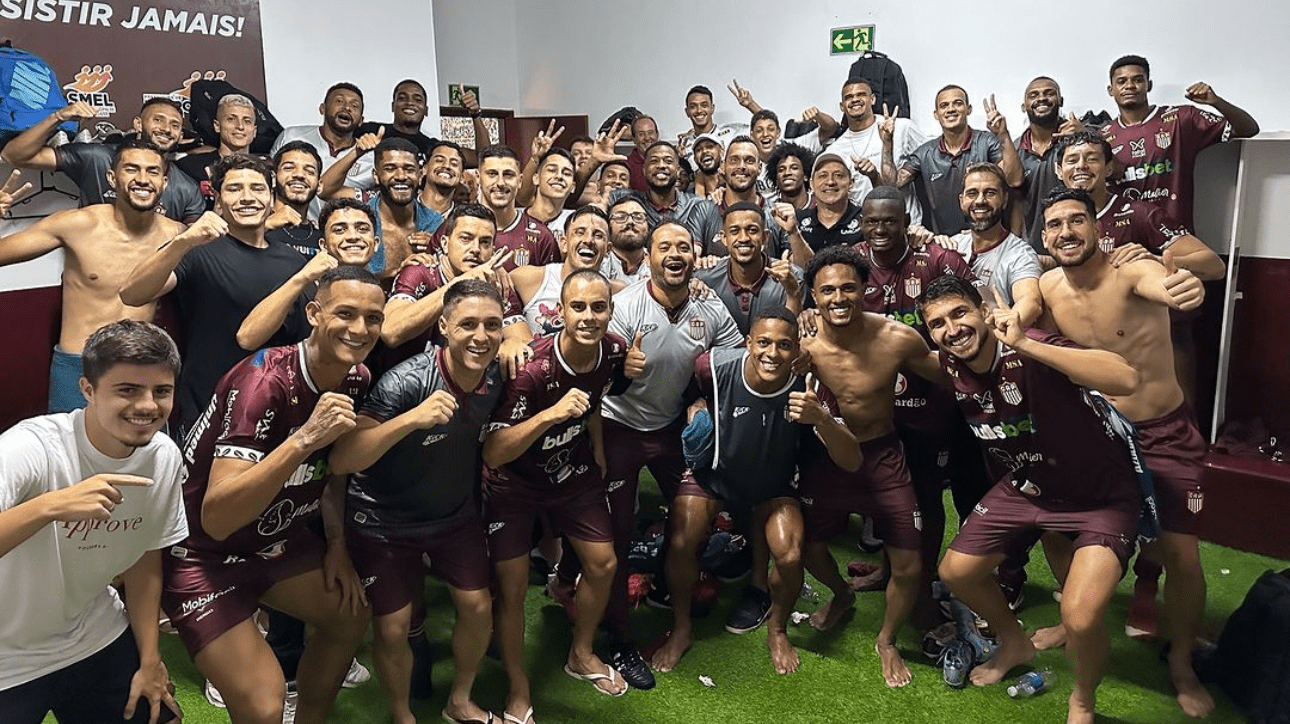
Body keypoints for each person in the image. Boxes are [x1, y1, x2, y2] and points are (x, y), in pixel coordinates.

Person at [161, 266, 381, 724]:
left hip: (276, 539)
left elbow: (332, 469)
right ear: (315, 314)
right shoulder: (262, 382)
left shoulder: (355, 375)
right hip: (203, 552)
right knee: (264, 705)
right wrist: (302, 440)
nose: (360, 329)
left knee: (349, 615)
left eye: (372, 318)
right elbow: (218, 517)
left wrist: (336, 544)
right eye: (346, 313)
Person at [921, 274, 1143, 724]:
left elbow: (1127, 376)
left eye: (960, 312)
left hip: (1099, 492)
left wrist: (1027, 344)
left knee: (1079, 617)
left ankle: (1082, 700)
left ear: (984, 312)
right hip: (1026, 486)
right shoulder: (949, 364)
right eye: (938, 323)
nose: (952, 328)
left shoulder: (1032, 345)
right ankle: (1014, 641)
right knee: (956, 572)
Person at [1032, 187, 1216, 717]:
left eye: (1076, 221)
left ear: (1097, 228)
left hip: (1164, 433)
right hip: (1099, 436)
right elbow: (1023, 302)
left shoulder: (1131, 270)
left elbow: (1169, 284)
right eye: (1055, 225)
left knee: (1182, 555)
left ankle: (1180, 658)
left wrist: (1182, 286)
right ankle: (1074, 619)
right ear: (1044, 237)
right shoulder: (1046, 285)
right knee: (1056, 530)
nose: (1066, 232)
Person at [329, 280, 505, 724]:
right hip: (383, 518)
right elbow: (344, 458)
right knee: (391, 626)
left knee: (479, 607)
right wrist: (410, 420)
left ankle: (459, 700)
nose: (480, 336)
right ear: (444, 326)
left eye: (492, 325)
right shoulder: (406, 380)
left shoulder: (500, 371)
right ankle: (402, 714)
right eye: (467, 324)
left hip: (453, 513)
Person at [0, 320, 186, 724]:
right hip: (5, 656)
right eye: (128, 390)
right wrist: (49, 506)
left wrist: (151, 659)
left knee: (161, 716)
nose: (148, 406)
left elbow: (143, 561)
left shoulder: (164, 456)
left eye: (162, 391)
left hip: (88, 632)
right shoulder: (30, 448)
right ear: (87, 390)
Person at [658, 310, 859, 675]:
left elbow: (852, 459)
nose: (772, 353)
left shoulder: (808, 384)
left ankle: (777, 627)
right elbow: (685, 394)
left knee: (790, 554)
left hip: (773, 486)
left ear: (797, 349)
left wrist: (822, 420)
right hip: (714, 477)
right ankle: (682, 627)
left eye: (784, 345)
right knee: (682, 539)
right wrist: (696, 410)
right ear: (747, 342)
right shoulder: (713, 367)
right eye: (763, 342)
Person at [483, 271, 631, 722]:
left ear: (610, 310)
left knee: (603, 563)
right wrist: (549, 416)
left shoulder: (614, 351)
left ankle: (580, 654)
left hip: (572, 471)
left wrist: (599, 443)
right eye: (579, 307)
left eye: (599, 307)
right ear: (560, 312)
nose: (589, 317)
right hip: (513, 484)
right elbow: (493, 452)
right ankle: (518, 686)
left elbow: (595, 402)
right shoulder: (530, 369)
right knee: (510, 590)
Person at [600, 222, 743, 686]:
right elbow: (596, 373)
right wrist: (622, 369)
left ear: (694, 254)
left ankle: (681, 625)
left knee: (693, 521)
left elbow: (732, 364)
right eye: (665, 247)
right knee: (614, 537)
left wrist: (701, 396)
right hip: (617, 425)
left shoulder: (707, 303)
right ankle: (618, 636)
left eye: (684, 246)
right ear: (649, 256)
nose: (675, 254)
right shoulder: (625, 306)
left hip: (668, 430)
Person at [793, 244, 942, 688]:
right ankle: (841, 595)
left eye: (848, 288)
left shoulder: (896, 337)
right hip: (827, 457)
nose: (838, 298)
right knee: (809, 548)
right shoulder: (803, 342)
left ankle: (888, 639)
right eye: (827, 291)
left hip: (882, 455)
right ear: (814, 298)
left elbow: (948, 373)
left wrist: (995, 342)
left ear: (866, 289)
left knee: (910, 564)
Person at [853, 186, 992, 615]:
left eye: (890, 221)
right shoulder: (853, 260)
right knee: (884, 495)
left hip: (933, 405)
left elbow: (976, 311)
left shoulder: (936, 259)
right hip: (877, 407)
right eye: (872, 221)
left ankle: (925, 575)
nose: (881, 230)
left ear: (905, 221)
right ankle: (888, 569)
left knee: (928, 496)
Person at [119, 154, 312, 435]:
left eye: (257, 189)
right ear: (218, 201)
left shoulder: (293, 262)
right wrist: (183, 240)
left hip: (273, 408)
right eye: (234, 189)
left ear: (272, 199)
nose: (247, 198)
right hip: (206, 407)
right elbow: (132, 293)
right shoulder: (196, 250)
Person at [0, 140, 185, 412]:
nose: (143, 179)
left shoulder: (178, 235)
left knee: (139, 453)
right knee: (68, 452)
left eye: (153, 171)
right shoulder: (77, 224)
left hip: (141, 365)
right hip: (79, 364)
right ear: (111, 178)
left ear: (165, 182)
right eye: (131, 169)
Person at [1101, 54, 1258, 230]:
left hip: (1176, 237)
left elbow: (1248, 129)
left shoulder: (1181, 119)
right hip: (1126, 239)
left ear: (1149, 85)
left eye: (1138, 80)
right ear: (1111, 90)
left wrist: (1216, 102)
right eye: (1121, 81)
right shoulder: (1102, 137)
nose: (1129, 86)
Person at [1053, 132, 1225, 281]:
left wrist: (1155, 260)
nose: (1081, 165)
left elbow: (1214, 267)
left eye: (1092, 159)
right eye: (1072, 160)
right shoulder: (1054, 219)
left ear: (1108, 169)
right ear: (1059, 171)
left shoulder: (1141, 214)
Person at [0, 97, 204, 222]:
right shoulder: (96, 157)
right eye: (158, 120)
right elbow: (14, 155)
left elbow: (194, 248)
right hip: (91, 281)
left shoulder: (186, 188)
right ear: (138, 124)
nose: (167, 129)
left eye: (175, 125)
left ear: (180, 135)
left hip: (150, 289)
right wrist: (58, 117)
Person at [382, 203, 531, 375]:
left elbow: (525, 342)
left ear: (493, 250)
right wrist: (460, 283)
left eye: (484, 242)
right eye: (465, 238)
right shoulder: (420, 271)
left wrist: (511, 343)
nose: (476, 249)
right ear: (445, 244)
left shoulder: (495, 283)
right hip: (403, 384)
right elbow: (390, 333)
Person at [237, 197, 381, 353]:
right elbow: (246, 338)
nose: (353, 236)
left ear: (376, 243)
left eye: (362, 229)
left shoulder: (381, 296)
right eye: (339, 230)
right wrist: (302, 278)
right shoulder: (302, 290)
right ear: (323, 245)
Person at [884, 86, 1023, 235]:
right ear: (936, 115)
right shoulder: (924, 153)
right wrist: (887, 142)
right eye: (944, 105)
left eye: (957, 103)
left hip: (987, 238)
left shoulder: (987, 142)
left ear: (968, 109)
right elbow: (892, 184)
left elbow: (1014, 180)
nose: (951, 109)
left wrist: (1002, 135)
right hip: (944, 243)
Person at [320, 136, 444, 280]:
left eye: (409, 169)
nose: (401, 176)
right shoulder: (361, 224)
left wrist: (437, 248)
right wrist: (356, 152)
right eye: (390, 169)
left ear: (420, 174)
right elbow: (323, 189)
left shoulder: (435, 223)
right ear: (376, 175)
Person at [948, 163, 1044, 325]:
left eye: (990, 193)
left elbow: (1031, 302)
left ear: (1005, 199)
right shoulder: (951, 245)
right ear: (961, 201)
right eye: (972, 193)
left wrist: (1007, 323)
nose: (980, 200)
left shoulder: (1020, 255)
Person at [824, 78, 929, 221]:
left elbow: (934, 157)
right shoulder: (835, 150)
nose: (855, 99)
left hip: (908, 226)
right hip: (864, 229)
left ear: (872, 99)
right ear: (842, 106)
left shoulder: (902, 128)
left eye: (861, 94)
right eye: (849, 97)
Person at [512, 206, 620, 338]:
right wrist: (512, 340)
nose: (588, 240)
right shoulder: (528, 279)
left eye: (598, 235)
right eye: (580, 232)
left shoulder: (618, 292)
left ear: (608, 249)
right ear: (564, 243)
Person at [695, 202, 802, 334]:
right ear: (724, 238)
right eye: (734, 231)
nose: (744, 238)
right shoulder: (705, 280)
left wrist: (793, 293)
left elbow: (792, 337)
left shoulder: (791, 277)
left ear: (764, 237)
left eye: (752, 230)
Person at [607, 142, 722, 256]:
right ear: (644, 170)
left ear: (677, 170)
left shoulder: (701, 206)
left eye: (668, 161)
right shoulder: (623, 199)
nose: (661, 165)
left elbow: (719, 258)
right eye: (654, 161)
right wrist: (594, 162)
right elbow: (592, 209)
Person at [270, 82, 373, 204]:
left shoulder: (371, 157)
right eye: (339, 101)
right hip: (290, 220)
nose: (347, 108)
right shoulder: (291, 136)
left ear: (361, 120)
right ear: (322, 108)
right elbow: (268, 179)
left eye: (355, 106)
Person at [1015, 76, 1082, 251]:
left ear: (1060, 100)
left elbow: (1115, 170)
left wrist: (1083, 135)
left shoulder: (1080, 139)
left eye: (1049, 93)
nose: (1041, 98)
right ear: (1024, 106)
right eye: (1034, 95)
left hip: (1077, 240)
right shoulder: (1014, 149)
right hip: (1034, 249)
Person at [175, 93, 260, 210]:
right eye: (231, 119)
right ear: (217, 126)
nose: (240, 126)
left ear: (254, 131)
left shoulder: (265, 170)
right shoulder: (189, 167)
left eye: (247, 121)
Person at [793, 152, 865, 254]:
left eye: (838, 175)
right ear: (811, 184)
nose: (830, 182)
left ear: (851, 183)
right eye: (823, 176)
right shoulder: (798, 220)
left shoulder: (865, 219)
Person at [265, 140, 325, 256]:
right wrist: (265, 225)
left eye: (309, 171)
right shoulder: (252, 226)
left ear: (319, 185)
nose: (299, 175)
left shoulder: (324, 239)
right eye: (289, 168)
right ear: (273, 178)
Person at [677, 85, 748, 162]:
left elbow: (761, 128)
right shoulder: (684, 144)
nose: (699, 110)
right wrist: (680, 160)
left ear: (712, 108)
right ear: (687, 112)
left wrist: (750, 104)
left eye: (704, 105)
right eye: (693, 107)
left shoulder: (731, 132)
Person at [599, 197, 651, 283]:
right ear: (608, 227)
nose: (630, 222)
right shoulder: (597, 260)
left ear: (648, 227)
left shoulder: (658, 262)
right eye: (620, 217)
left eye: (638, 217)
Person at [419, 141, 467, 217]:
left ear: (461, 176)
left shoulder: (463, 219)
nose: (447, 166)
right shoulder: (403, 210)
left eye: (454, 164)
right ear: (425, 169)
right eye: (439, 160)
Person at [765, 142, 816, 211]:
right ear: (776, 179)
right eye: (781, 170)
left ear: (805, 176)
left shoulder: (819, 206)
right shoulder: (770, 212)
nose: (787, 173)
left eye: (794, 168)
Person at [626, 115, 659, 192]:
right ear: (633, 139)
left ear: (657, 135)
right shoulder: (627, 165)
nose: (647, 138)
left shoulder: (668, 162)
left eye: (650, 133)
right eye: (641, 134)